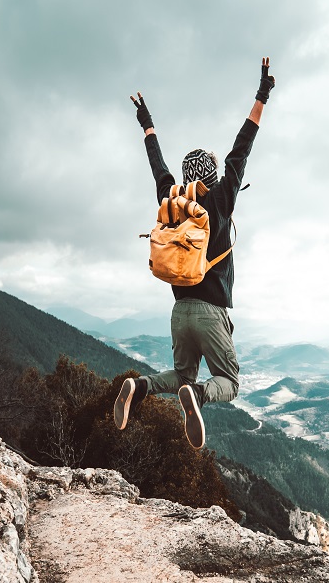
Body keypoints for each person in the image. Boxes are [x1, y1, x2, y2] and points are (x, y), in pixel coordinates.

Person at [114, 57, 275, 449]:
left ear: (187, 179)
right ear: (215, 177)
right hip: (210, 312)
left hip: (179, 310)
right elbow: (243, 146)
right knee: (230, 382)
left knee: (179, 375)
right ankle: (198, 397)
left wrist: (147, 123)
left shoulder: (171, 199)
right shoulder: (220, 201)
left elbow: (157, 166)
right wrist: (262, 94)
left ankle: (139, 385)